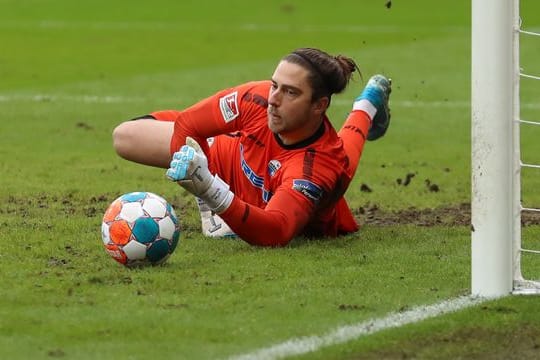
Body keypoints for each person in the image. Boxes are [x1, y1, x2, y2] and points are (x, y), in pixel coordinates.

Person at [112, 47, 392, 247]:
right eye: (275, 86)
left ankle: (366, 106)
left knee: (345, 157)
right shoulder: (256, 98)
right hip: (229, 156)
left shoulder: (315, 167)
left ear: (320, 105)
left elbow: (276, 231)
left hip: (302, 182)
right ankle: (366, 105)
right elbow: (189, 124)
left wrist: (211, 190)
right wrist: (201, 178)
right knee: (125, 137)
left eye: (291, 92)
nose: (274, 99)